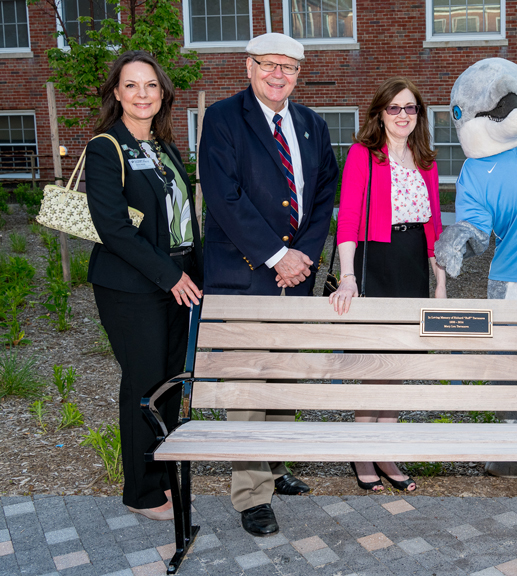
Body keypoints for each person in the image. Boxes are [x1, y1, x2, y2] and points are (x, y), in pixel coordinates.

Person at [199, 33, 338, 536]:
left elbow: (324, 193)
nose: (279, 75)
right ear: (249, 66)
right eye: (269, 65)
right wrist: (278, 255)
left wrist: (302, 259)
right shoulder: (221, 119)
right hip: (243, 275)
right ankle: (250, 495)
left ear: (300, 73)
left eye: (290, 68)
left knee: (283, 381)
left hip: (295, 278)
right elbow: (224, 197)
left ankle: (274, 468)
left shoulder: (311, 124)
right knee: (246, 388)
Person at [85, 51, 203, 521]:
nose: (142, 94)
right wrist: (169, 275)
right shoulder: (104, 146)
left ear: (162, 93)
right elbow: (113, 228)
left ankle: (161, 475)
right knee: (144, 384)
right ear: (116, 92)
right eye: (131, 85)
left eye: (150, 85)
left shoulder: (164, 147)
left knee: (170, 384)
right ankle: (140, 492)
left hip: (177, 283)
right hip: (133, 288)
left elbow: (185, 220)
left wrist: (191, 275)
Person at [329, 76, 446, 492]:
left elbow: (433, 226)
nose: (402, 115)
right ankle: (363, 451)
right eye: (394, 108)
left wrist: (440, 282)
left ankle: (386, 450)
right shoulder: (364, 155)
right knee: (373, 362)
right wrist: (348, 278)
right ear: (380, 113)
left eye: (410, 108)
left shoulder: (425, 158)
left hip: (412, 261)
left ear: (419, 115)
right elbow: (347, 219)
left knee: (398, 363)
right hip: (374, 259)